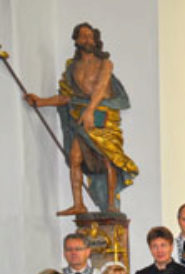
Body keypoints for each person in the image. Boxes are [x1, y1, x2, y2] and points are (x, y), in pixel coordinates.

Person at [24, 22, 138, 215]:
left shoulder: (104, 63)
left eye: (90, 36)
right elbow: (68, 97)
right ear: (76, 40)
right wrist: (40, 102)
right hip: (80, 115)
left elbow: (101, 88)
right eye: (82, 36)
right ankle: (79, 203)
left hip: (103, 114)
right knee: (75, 157)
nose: (87, 39)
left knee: (107, 158)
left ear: (96, 40)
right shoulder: (72, 68)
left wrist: (90, 111)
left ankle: (111, 205)